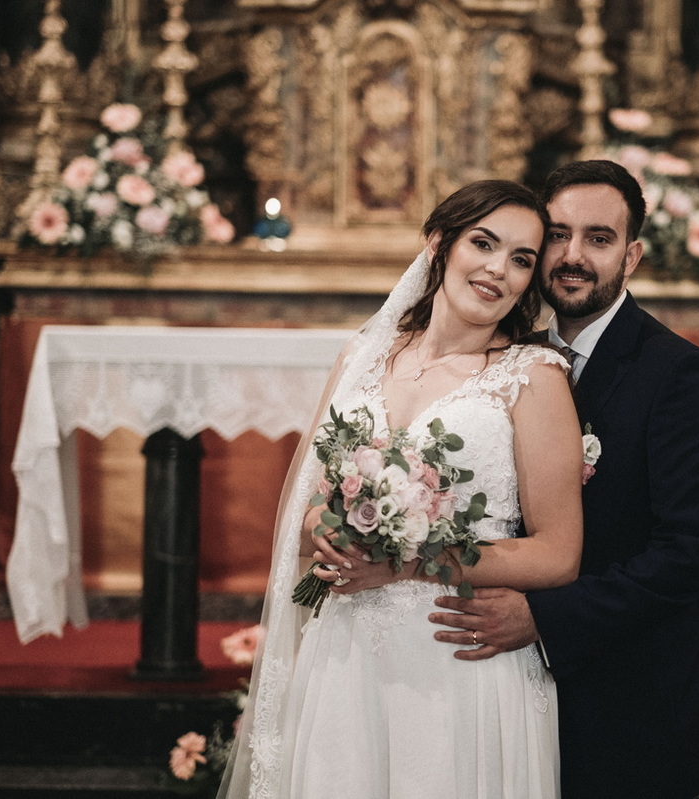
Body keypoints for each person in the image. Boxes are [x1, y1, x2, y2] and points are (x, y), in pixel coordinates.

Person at [217, 179, 584, 799]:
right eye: (483, 244)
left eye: (521, 259)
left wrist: (408, 563)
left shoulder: (533, 377)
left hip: (456, 654)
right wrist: (328, 530)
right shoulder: (361, 356)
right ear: (439, 243)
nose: (499, 269)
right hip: (345, 652)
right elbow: (309, 505)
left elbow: (558, 554)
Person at [428, 160, 699, 799]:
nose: (573, 256)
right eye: (558, 235)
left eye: (599, 238)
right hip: (507, 688)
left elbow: (693, 551)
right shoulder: (507, 361)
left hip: (631, 694)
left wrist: (545, 618)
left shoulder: (676, 371)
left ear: (631, 256)